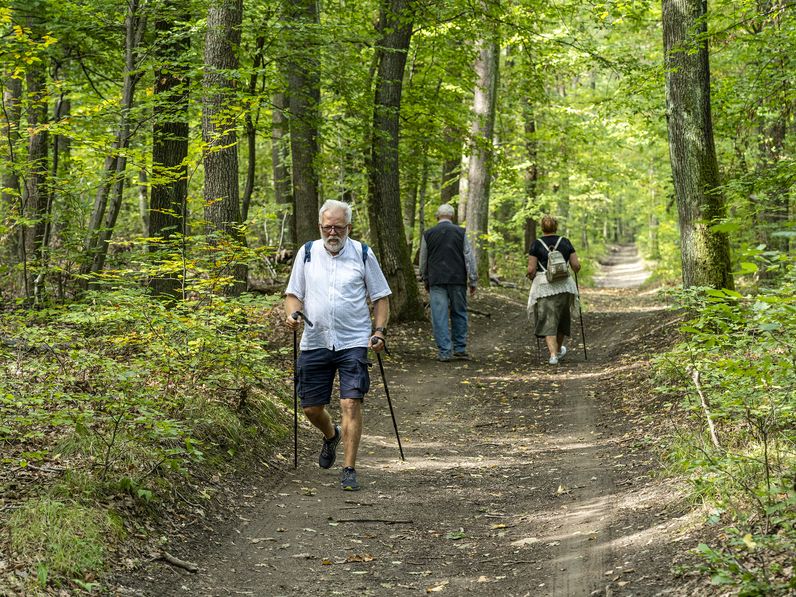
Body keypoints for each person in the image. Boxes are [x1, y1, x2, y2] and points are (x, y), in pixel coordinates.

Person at [284, 200, 391, 491]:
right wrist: (292, 314)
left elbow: (381, 296)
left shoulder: (363, 254)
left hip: (353, 340)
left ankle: (349, 468)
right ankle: (331, 435)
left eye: (338, 227)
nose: (332, 232)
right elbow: (293, 294)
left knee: (350, 402)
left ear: (349, 228)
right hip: (315, 340)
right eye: (327, 227)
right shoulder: (306, 253)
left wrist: (379, 331)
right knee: (311, 408)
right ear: (320, 227)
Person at [419, 203, 478, 362]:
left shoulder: (428, 234)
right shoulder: (461, 232)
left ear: (438, 216)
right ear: (451, 216)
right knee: (459, 312)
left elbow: (423, 259)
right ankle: (460, 348)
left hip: (436, 280)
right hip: (457, 279)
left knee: (439, 316)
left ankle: (445, 351)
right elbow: (468, 257)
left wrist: (424, 278)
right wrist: (473, 280)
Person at [526, 215, 581, 365]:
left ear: (542, 228)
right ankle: (556, 351)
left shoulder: (536, 244)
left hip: (544, 286)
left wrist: (530, 276)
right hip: (564, 285)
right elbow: (576, 266)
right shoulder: (565, 242)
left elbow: (531, 269)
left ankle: (553, 355)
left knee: (548, 320)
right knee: (562, 320)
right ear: (556, 227)